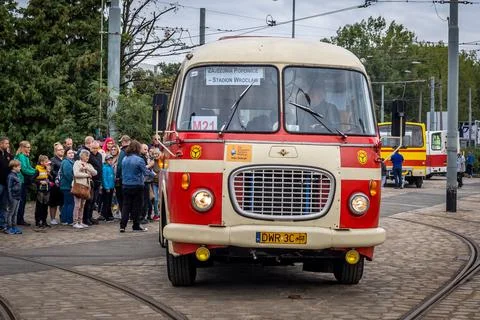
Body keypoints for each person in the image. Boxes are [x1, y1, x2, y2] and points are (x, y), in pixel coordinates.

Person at [120, 140, 153, 233]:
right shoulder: (139, 160)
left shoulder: (124, 159)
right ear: (138, 148)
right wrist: (152, 172)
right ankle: (136, 225)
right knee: (137, 206)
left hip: (126, 185)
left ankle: (122, 226)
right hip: (137, 185)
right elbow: (146, 172)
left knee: (126, 206)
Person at [72, 149, 97, 229]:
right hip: (78, 185)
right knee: (77, 205)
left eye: (88, 156)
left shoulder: (88, 165)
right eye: (87, 156)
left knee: (82, 205)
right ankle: (75, 222)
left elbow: (95, 172)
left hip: (86, 187)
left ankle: (80, 221)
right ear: (82, 156)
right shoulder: (77, 163)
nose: (88, 157)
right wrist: (86, 175)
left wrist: (87, 168)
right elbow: (76, 174)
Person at [15, 141, 36, 226]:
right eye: (28, 147)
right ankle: (19, 220)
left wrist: (35, 170)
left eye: (29, 147)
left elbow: (29, 168)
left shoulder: (25, 157)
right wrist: (36, 172)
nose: (29, 149)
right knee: (21, 201)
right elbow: (24, 169)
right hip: (20, 181)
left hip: (23, 181)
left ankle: (20, 219)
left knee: (23, 201)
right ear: (23, 148)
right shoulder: (21, 156)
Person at [34, 155, 53, 229]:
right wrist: (40, 182)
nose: (47, 163)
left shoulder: (47, 169)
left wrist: (49, 173)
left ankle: (44, 221)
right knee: (39, 206)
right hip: (40, 190)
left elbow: (51, 179)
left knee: (45, 206)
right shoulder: (37, 169)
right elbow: (32, 179)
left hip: (47, 190)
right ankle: (38, 221)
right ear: (41, 162)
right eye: (46, 162)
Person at [5, 160, 22, 234]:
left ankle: (14, 226)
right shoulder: (10, 176)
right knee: (10, 213)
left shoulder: (16, 175)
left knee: (15, 213)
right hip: (13, 197)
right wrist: (10, 198)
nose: (20, 168)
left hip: (17, 196)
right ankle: (9, 227)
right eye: (19, 167)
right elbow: (8, 188)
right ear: (14, 167)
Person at [49, 142, 64, 225]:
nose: (61, 151)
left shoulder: (65, 159)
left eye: (62, 149)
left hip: (63, 184)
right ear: (55, 151)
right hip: (55, 184)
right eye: (59, 149)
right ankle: (52, 218)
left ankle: (63, 217)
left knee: (62, 202)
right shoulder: (52, 160)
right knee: (53, 202)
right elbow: (51, 171)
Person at [115, 135, 131, 217]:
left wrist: (117, 176)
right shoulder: (134, 151)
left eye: (121, 141)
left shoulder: (123, 151)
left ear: (124, 141)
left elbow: (120, 165)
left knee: (121, 197)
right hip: (132, 178)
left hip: (122, 178)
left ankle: (124, 215)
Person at [59, 148, 75, 225]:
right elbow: (68, 174)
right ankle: (68, 220)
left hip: (67, 185)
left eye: (72, 153)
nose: (71, 154)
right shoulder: (66, 162)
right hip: (67, 186)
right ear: (66, 154)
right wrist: (73, 182)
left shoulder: (71, 162)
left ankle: (64, 219)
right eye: (69, 153)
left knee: (67, 203)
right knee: (70, 203)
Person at [0, 137, 13, 230]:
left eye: (8, 144)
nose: (8, 145)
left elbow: (12, 165)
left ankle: (2, 224)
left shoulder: (8, 155)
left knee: (4, 205)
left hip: (6, 183)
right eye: (6, 143)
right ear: (1, 144)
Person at [101, 154, 115, 221]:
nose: (110, 161)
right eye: (109, 160)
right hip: (107, 188)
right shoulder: (104, 168)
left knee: (109, 202)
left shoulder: (111, 167)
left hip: (111, 187)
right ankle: (105, 215)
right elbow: (104, 178)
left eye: (111, 160)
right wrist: (106, 187)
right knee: (106, 202)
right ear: (106, 161)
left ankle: (109, 214)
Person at [150, 148, 163, 221]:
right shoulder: (152, 162)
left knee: (162, 199)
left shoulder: (163, 161)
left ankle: (162, 213)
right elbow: (148, 169)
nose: (155, 155)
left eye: (157, 154)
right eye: (154, 154)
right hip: (154, 183)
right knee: (155, 199)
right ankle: (156, 214)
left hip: (161, 182)